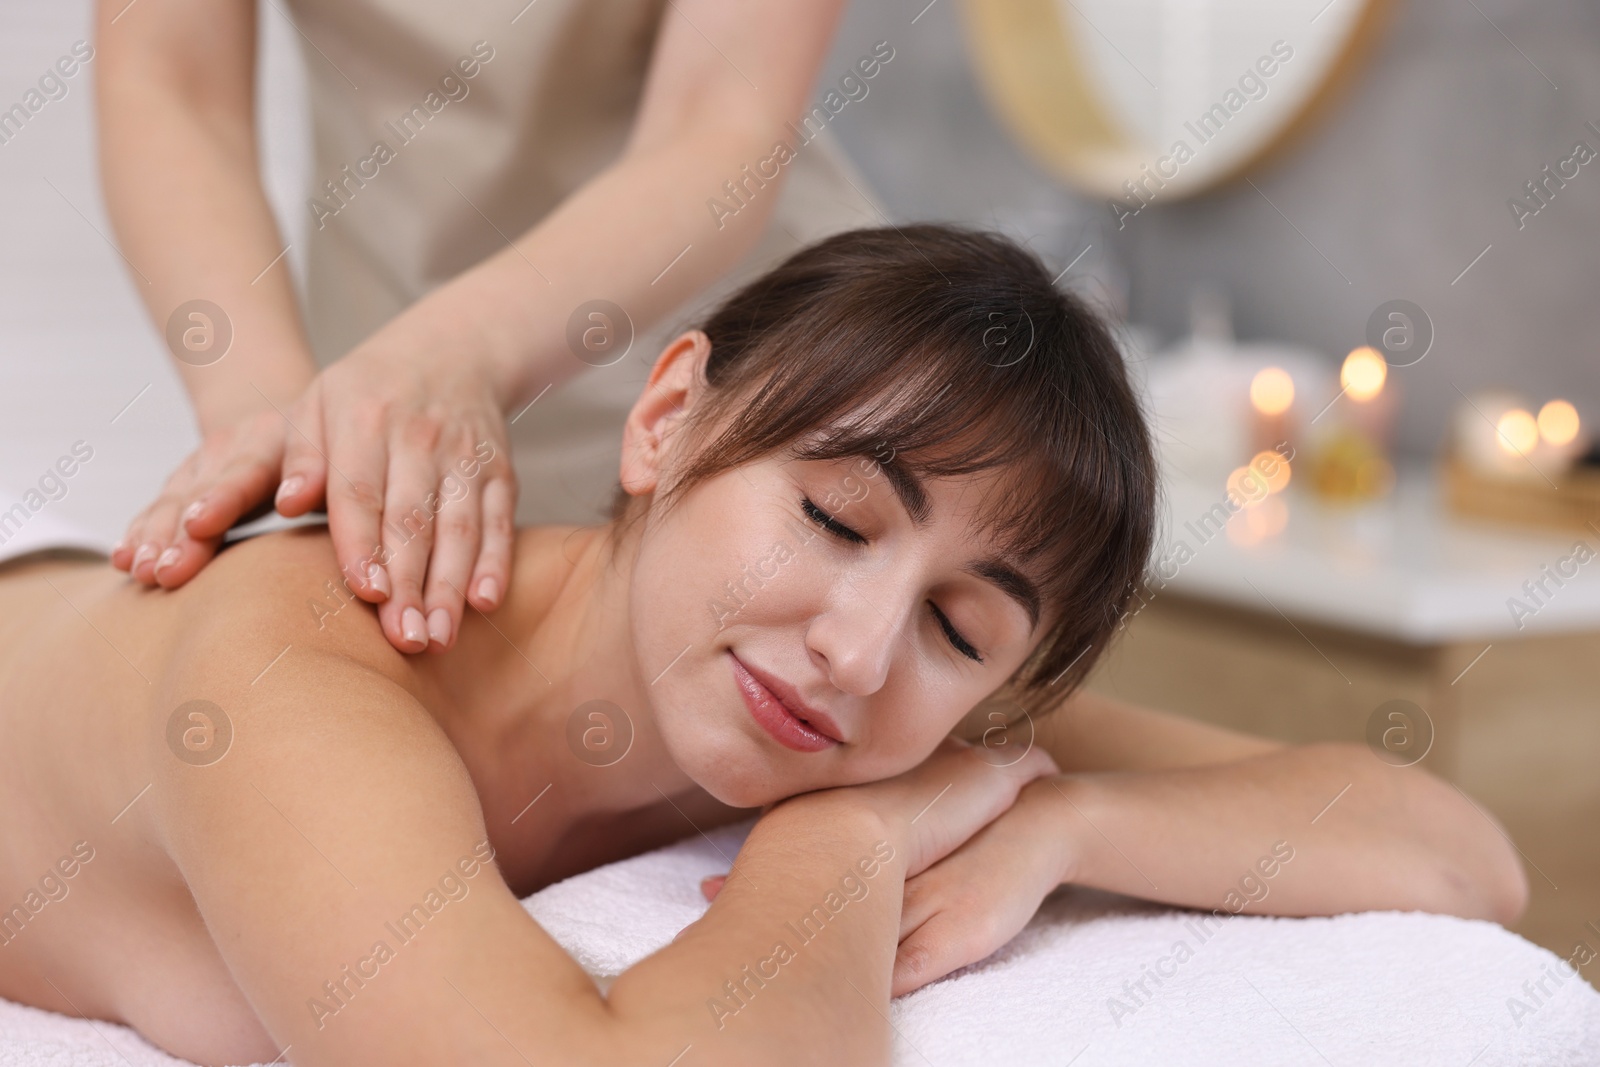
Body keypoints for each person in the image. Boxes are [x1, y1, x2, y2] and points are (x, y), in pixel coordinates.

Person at [0, 227, 1526, 1067]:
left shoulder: (864, 704)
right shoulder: (307, 664)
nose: (860, 648)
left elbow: (1458, 855)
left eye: (959, 624)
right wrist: (845, 850)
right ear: (668, 420)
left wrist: (1066, 818)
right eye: (837, 519)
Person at [94, 0, 882, 657]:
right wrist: (267, 415)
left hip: (723, 366)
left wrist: (455, 351)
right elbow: (169, 85)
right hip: (379, 374)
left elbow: (719, 119)